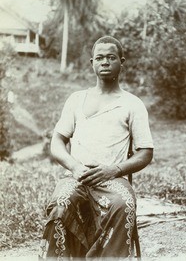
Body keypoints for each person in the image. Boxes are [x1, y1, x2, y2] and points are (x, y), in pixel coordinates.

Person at [39, 36, 154, 260]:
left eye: (111, 57)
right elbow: (57, 141)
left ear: (122, 62)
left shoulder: (132, 104)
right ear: (92, 62)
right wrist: (74, 166)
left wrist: (114, 170)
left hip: (112, 178)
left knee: (123, 205)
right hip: (76, 177)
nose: (105, 62)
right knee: (60, 205)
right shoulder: (76, 99)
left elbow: (146, 152)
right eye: (99, 58)